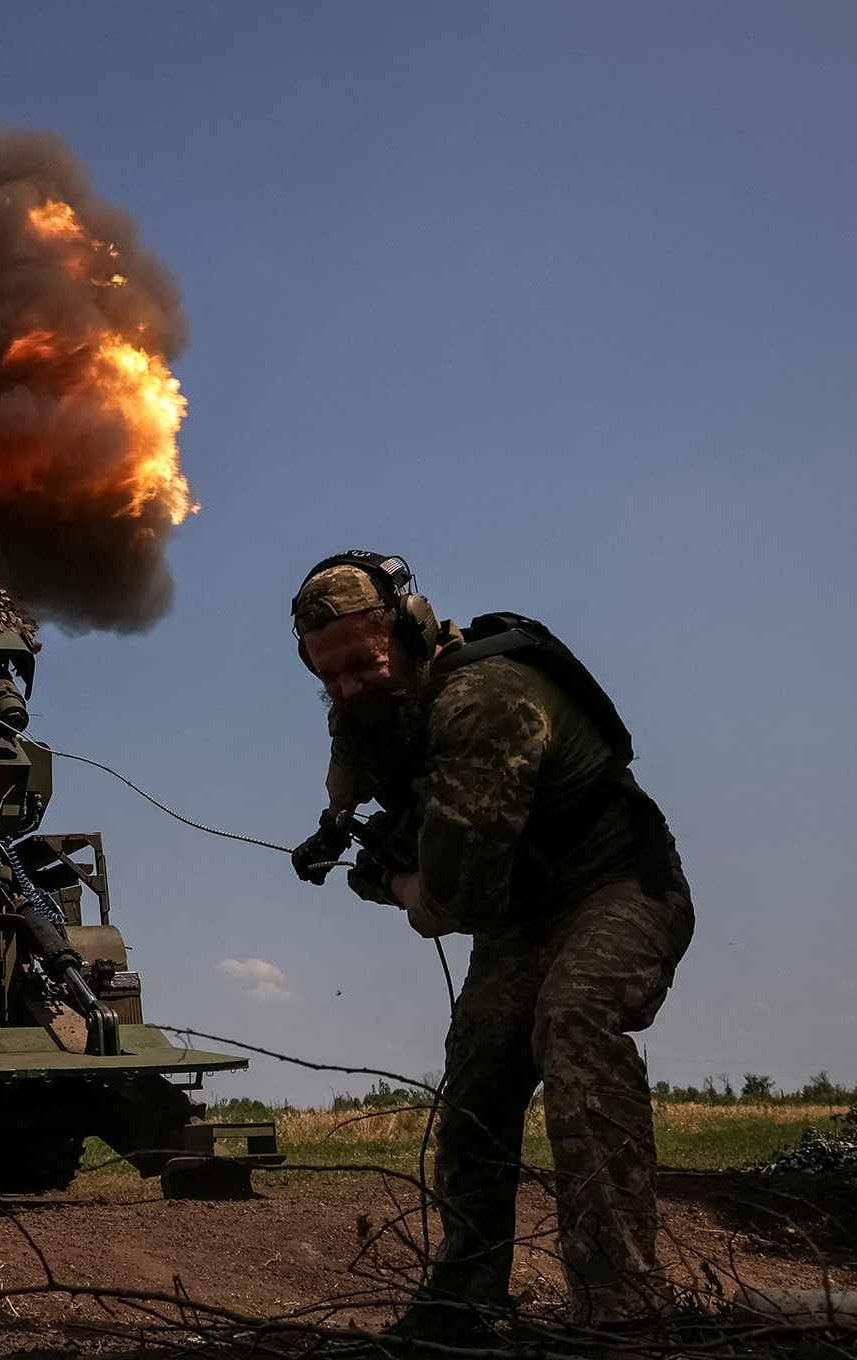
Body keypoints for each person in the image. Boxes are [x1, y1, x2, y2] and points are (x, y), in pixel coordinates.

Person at [287, 551, 694, 1344]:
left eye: (362, 665)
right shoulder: (372, 701)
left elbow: (449, 905)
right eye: (326, 676)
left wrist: (393, 881)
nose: (346, 688)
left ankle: (624, 1310)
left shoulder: (482, 701)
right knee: (478, 1076)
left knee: (573, 1025)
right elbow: (351, 758)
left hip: (618, 888)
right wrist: (334, 829)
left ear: (407, 630)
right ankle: (462, 1305)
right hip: (522, 916)